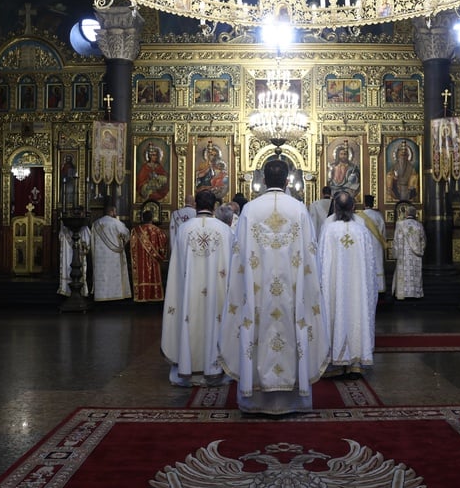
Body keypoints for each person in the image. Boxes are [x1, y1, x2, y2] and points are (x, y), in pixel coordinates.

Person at [218, 159, 330, 415]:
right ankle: (293, 399)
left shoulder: (250, 210)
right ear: (288, 180)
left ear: (264, 180)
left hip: (257, 293)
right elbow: (310, 258)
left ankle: (255, 399)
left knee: (256, 333)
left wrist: (238, 289)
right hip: (292, 292)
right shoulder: (299, 209)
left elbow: (239, 257)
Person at [161, 190, 233, 387]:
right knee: (215, 320)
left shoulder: (184, 229)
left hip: (188, 291)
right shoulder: (224, 230)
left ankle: (187, 367)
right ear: (214, 206)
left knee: (187, 319)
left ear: (196, 206)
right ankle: (215, 368)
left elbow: (176, 267)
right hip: (217, 292)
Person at [317, 191, 378, 378]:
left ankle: (335, 361)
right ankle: (355, 363)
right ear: (353, 207)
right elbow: (370, 265)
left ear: (335, 208)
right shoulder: (361, 231)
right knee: (357, 314)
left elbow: (320, 262)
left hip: (334, 289)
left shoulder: (328, 230)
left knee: (334, 313)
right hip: (357, 289)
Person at [91, 205, 131, 302]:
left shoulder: (96, 224)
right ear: (112, 211)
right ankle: (116, 296)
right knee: (115, 276)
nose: (116, 213)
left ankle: (101, 296)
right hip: (115, 257)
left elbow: (92, 241)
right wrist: (122, 243)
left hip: (100, 257)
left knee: (103, 275)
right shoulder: (117, 223)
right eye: (115, 211)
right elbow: (127, 235)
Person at [130, 209, 168, 302]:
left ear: (142, 218)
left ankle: (142, 296)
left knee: (142, 276)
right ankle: (155, 296)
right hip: (154, 261)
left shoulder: (135, 231)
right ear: (152, 218)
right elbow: (163, 247)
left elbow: (132, 247)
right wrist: (162, 256)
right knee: (154, 275)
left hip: (140, 260)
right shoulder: (158, 231)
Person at [392, 205, 426, 300]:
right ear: (415, 214)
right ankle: (415, 294)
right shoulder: (419, 225)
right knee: (415, 273)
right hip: (416, 256)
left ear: (406, 213)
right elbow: (423, 241)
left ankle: (403, 294)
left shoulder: (400, 224)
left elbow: (395, 241)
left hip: (403, 255)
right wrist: (420, 250)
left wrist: (395, 254)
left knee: (404, 273)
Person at [361, 195, 387, 293]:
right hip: (376, 244)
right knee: (378, 265)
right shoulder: (378, 215)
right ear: (373, 204)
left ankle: (365, 286)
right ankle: (379, 287)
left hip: (364, 244)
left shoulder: (359, 216)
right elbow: (383, 232)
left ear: (364, 203)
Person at [57, 223, 91, 297]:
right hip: (78, 253)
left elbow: (60, 237)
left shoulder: (64, 227)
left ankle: (66, 289)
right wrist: (85, 247)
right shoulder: (83, 227)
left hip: (70, 253)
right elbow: (87, 240)